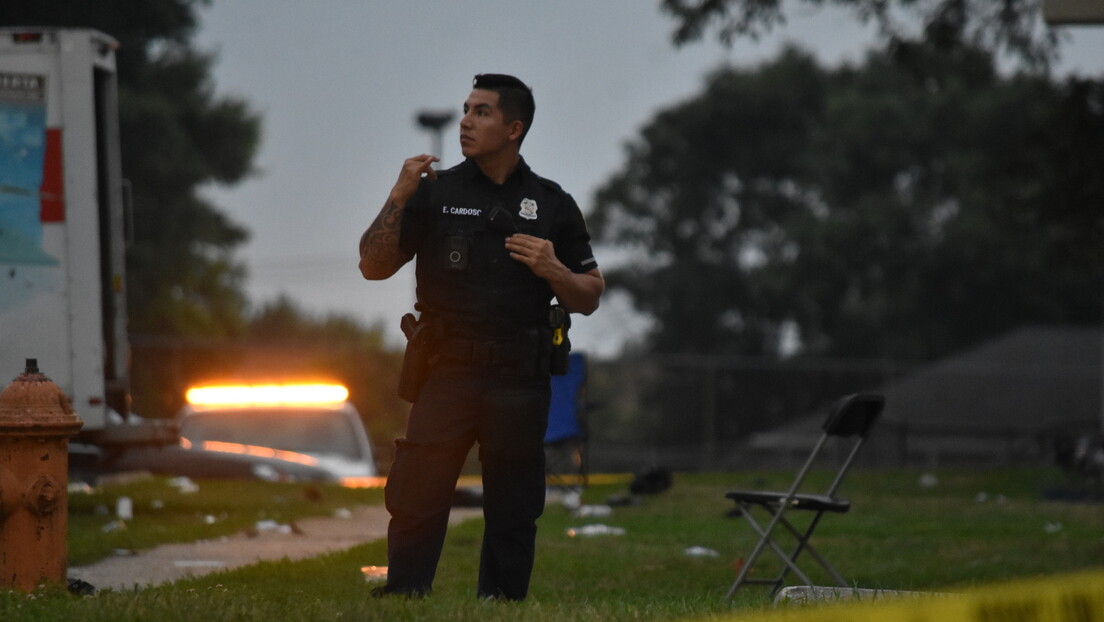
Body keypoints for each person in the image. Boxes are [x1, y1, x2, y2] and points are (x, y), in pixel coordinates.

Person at [358, 73, 604, 600]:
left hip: (519, 376)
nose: (467, 121)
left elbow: (589, 294)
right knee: (418, 492)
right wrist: (398, 197)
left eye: (482, 112)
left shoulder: (552, 203)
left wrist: (554, 269)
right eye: (466, 110)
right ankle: (405, 594)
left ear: (513, 128)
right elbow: (373, 266)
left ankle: (502, 603)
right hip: (447, 371)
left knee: (515, 504)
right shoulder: (435, 193)